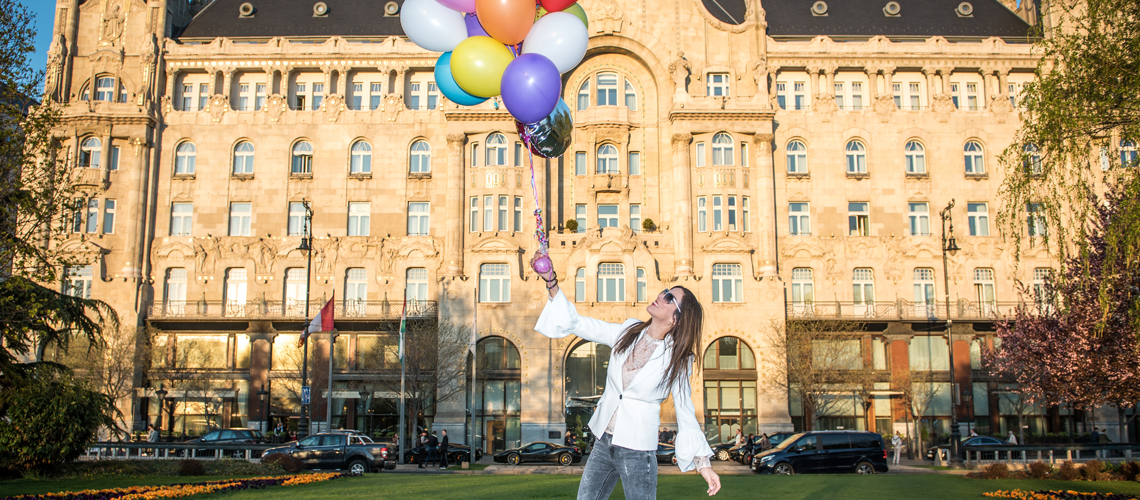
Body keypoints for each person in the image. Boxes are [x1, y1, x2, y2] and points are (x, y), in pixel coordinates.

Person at [531, 250, 721, 499]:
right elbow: (578, 323)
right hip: (603, 442)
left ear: (676, 319)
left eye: (669, 298)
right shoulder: (628, 330)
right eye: (664, 291)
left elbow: (685, 408)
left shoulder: (678, 359)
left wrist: (703, 463)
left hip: (637, 450)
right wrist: (551, 280)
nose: (660, 296)